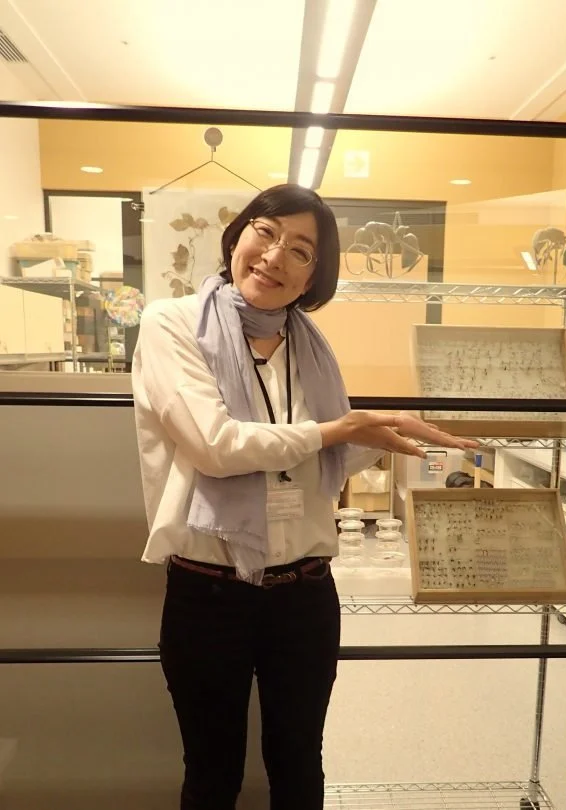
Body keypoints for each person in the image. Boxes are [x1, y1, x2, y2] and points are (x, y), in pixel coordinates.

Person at [131, 184, 476, 810]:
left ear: (314, 276)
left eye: (300, 251)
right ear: (237, 235)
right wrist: (340, 428)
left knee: (299, 767)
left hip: (305, 593)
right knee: (211, 774)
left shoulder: (310, 345)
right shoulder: (172, 323)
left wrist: (385, 435)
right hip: (209, 591)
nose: (274, 257)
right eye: (265, 233)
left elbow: (316, 457)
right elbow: (215, 446)